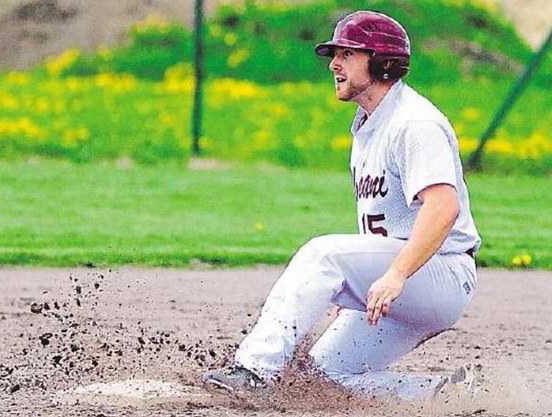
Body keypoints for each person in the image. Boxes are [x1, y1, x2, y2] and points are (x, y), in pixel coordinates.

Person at [203, 10, 482, 401]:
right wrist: (371, 281)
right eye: (335, 54)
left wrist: (395, 275)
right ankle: (444, 395)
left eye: (347, 53)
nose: (334, 63)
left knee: (323, 254)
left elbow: (443, 207)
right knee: (323, 377)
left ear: (382, 61)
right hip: (404, 277)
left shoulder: (413, 123)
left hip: (439, 273)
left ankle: (254, 370)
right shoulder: (371, 122)